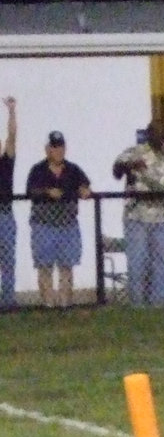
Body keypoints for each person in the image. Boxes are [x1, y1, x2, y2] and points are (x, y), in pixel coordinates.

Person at [112, 123, 164, 306]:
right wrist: (129, 165)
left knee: (162, 261)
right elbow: (116, 171)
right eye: (159, 135)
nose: (163, 139)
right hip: (137, 216)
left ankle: (158, 304)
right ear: (150, 135)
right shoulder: (135, 152)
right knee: (137, 261)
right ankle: (138, 305)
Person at [26, 131, 92, 307]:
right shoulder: (37, 170)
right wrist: (47, 192)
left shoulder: (73, 169)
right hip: (43, 225)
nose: (59, 151)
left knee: (66, 266)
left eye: (61, 147)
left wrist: (85, 190)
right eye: (55, 148)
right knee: (44, 266)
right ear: (48, 149)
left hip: (68, 225)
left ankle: (65, 304)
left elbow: (84, 184)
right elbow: (30, 191)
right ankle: (48, 304)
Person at [0, 97, 17, 308]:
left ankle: (8, 302)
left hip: (4, 215)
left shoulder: (6, 162)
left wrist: (12, 111)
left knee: (8, 261)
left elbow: (12, 136)